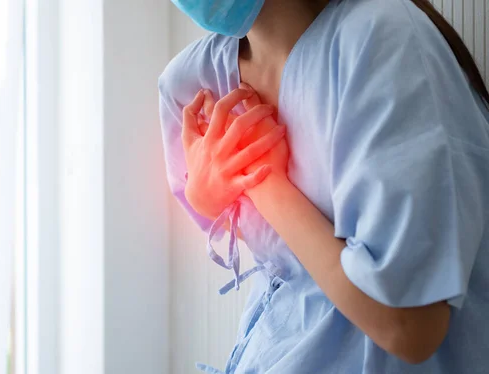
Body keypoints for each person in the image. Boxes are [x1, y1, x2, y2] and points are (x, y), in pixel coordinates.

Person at [158, 0, 489, 372]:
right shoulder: (190, 84)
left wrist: (262, 181)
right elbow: (260, 244)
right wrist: (203, 196)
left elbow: (410, 327)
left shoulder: (380, 39)